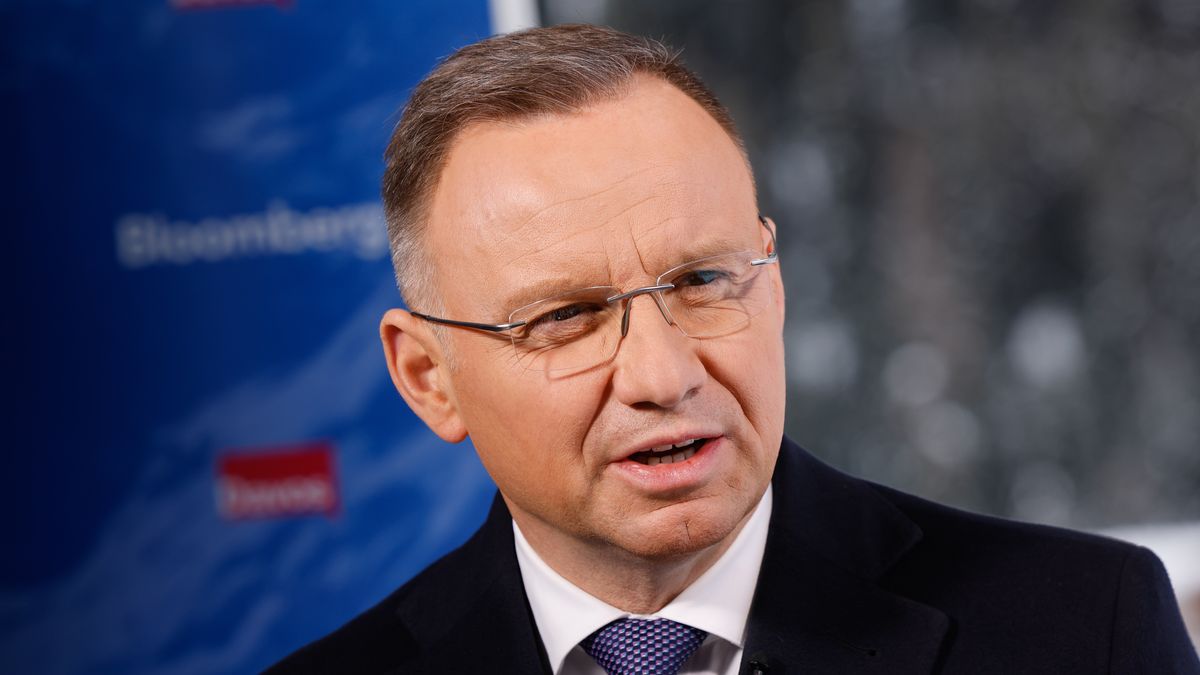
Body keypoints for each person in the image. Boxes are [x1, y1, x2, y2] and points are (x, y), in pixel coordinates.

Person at [268, 24, 1199, 675]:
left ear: (776, 283)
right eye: (566, 317)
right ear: (429, 379)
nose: (664, 375)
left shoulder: (1087, 628)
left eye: (704, 281)